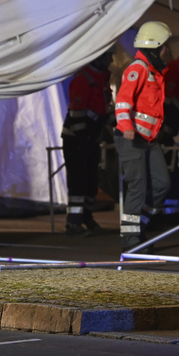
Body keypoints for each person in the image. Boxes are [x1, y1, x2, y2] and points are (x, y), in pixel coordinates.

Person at [114, 21, 173, 249]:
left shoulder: (153, 71)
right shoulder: (138, 69)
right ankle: (130, 240)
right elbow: (123, 102)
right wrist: (127, 127)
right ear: (155, 46)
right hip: (131, 137)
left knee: (162, 183)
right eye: (164, 45)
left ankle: (138, 227)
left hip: (148, 139)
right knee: (137, 185)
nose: (166, 50)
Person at [61, 48, 113, 236]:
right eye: (109, 55)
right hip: (77, 138)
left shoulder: (102, 79)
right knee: (78, 182)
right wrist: (84, 139)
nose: (112, 59)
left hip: (91, 136)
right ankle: (73, 223)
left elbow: (104, 110)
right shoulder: (84, 78)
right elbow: (77, 114)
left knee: (91, 181)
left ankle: (87, 218)